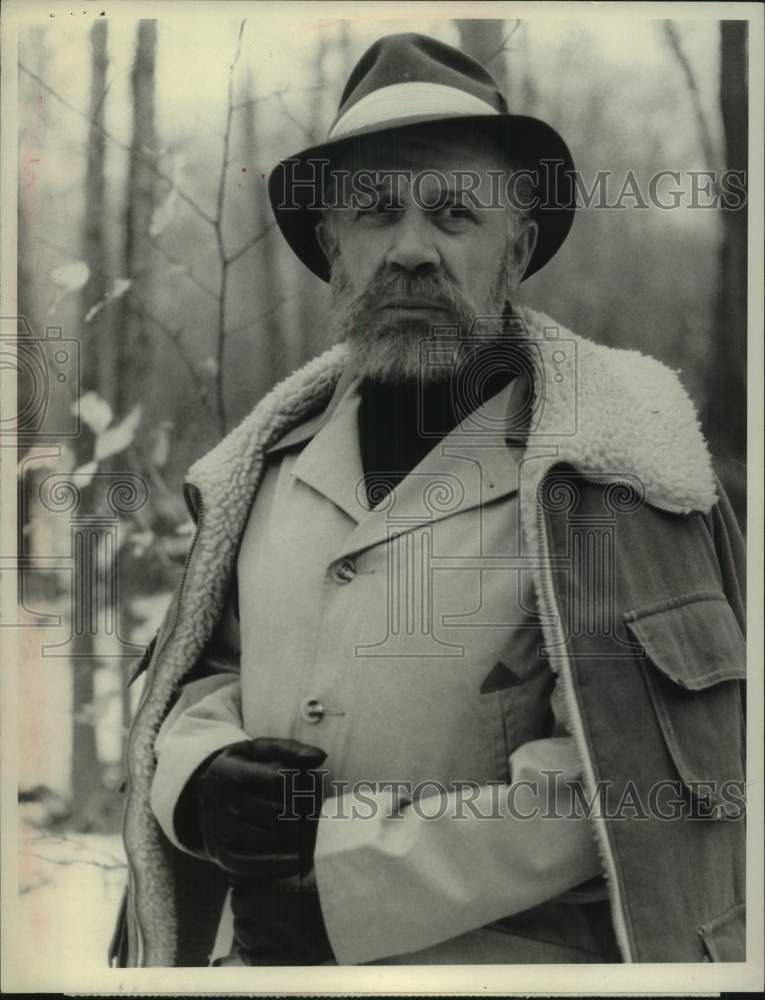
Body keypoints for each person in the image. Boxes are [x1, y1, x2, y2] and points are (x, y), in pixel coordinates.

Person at [111, 32, 746, 968]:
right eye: (374, 213)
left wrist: (347, 890)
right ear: (333, 249)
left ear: (516, 249)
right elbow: (205, 677)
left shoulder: (610, 476)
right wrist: (199, 777)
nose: (410, 251)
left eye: (455, 213)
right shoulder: (262, 471)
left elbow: (631, 779)